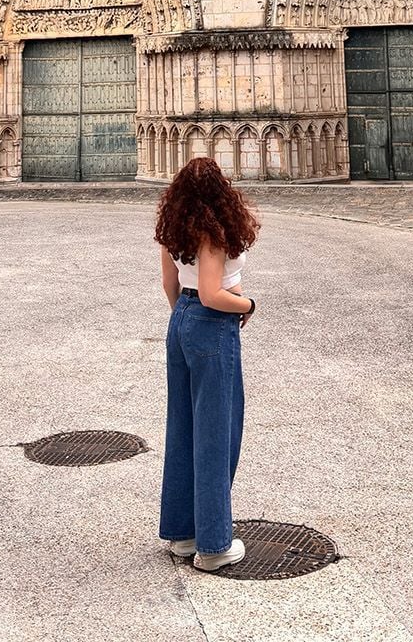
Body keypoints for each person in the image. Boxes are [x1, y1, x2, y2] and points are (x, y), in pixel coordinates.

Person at [155, 157, 259, 572]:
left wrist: (185, 318)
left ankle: (184, 535)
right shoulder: (212, 232)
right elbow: (216, 294)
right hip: (211, 324)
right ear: (221, 190)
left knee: (183, 426)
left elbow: (171, 285)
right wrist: (248, 305)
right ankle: (214, 545)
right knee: (217, 432)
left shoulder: (172, 227)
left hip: (180, 319)